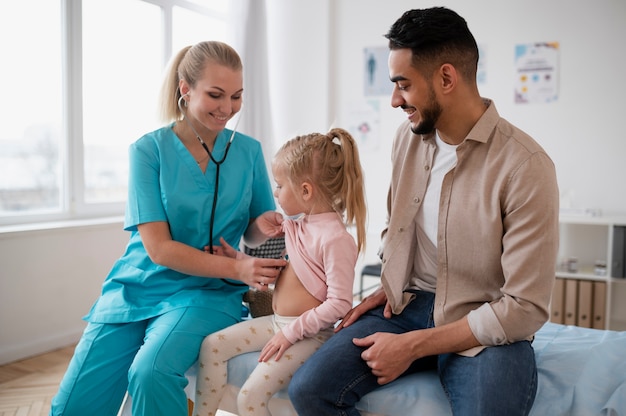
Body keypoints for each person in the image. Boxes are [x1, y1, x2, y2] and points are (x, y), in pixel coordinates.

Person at [288, 7, 559, 416]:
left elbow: (525, 307)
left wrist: (413, 346)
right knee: (308, 391)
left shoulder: (525, 166)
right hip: (407, 307)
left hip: (480, 320)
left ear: (446, 78)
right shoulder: (408, 140)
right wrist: (389, 287)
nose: (395, 100)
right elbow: (400, 232)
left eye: (404, 85)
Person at [49, 41, 287, 416]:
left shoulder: (249, 151)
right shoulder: (148, 151)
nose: (227, 108)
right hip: (136, 286)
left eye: (237, 96)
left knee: (150, 372)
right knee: (72, 404)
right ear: (185, 89)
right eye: (216, 95)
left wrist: (263, 224)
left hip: (205, 293)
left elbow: (254, 232)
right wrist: (238, 268)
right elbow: (159, 249)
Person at [193, 128, 367, 416]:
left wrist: (289, 335)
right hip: (277, 322)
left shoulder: (335, 239)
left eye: (279, 185)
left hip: (308, 335)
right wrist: (236, 257)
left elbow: (339, 304)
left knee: (249, 397)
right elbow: (288, 275)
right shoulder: (298, 226)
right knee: (212, 345)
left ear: (306, 191)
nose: (275, 193)